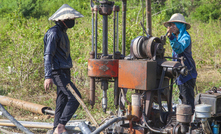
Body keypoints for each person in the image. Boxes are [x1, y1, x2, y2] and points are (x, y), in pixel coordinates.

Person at [43, 4, 84, 134]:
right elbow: (48, 55)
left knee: (62, 99)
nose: (73, 21)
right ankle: (61, 125)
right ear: (63, 20)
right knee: (75, 97)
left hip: (64, 71)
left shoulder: (62, 32)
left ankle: (56, 128)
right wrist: (48, 76)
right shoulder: (53, 33)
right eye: (71, 18)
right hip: (57, 72)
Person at [164, 13, 197, 114]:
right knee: (183, 98)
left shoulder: (185, 37)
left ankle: (189, 125)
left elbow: (179, 49)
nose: (172, 27)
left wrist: (171, 38)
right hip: (180, 74)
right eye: (171, 25)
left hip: (187, 74)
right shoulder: (176, 37)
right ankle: (185, 122)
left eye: (174, 25)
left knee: (188, 102)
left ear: (181, 26)